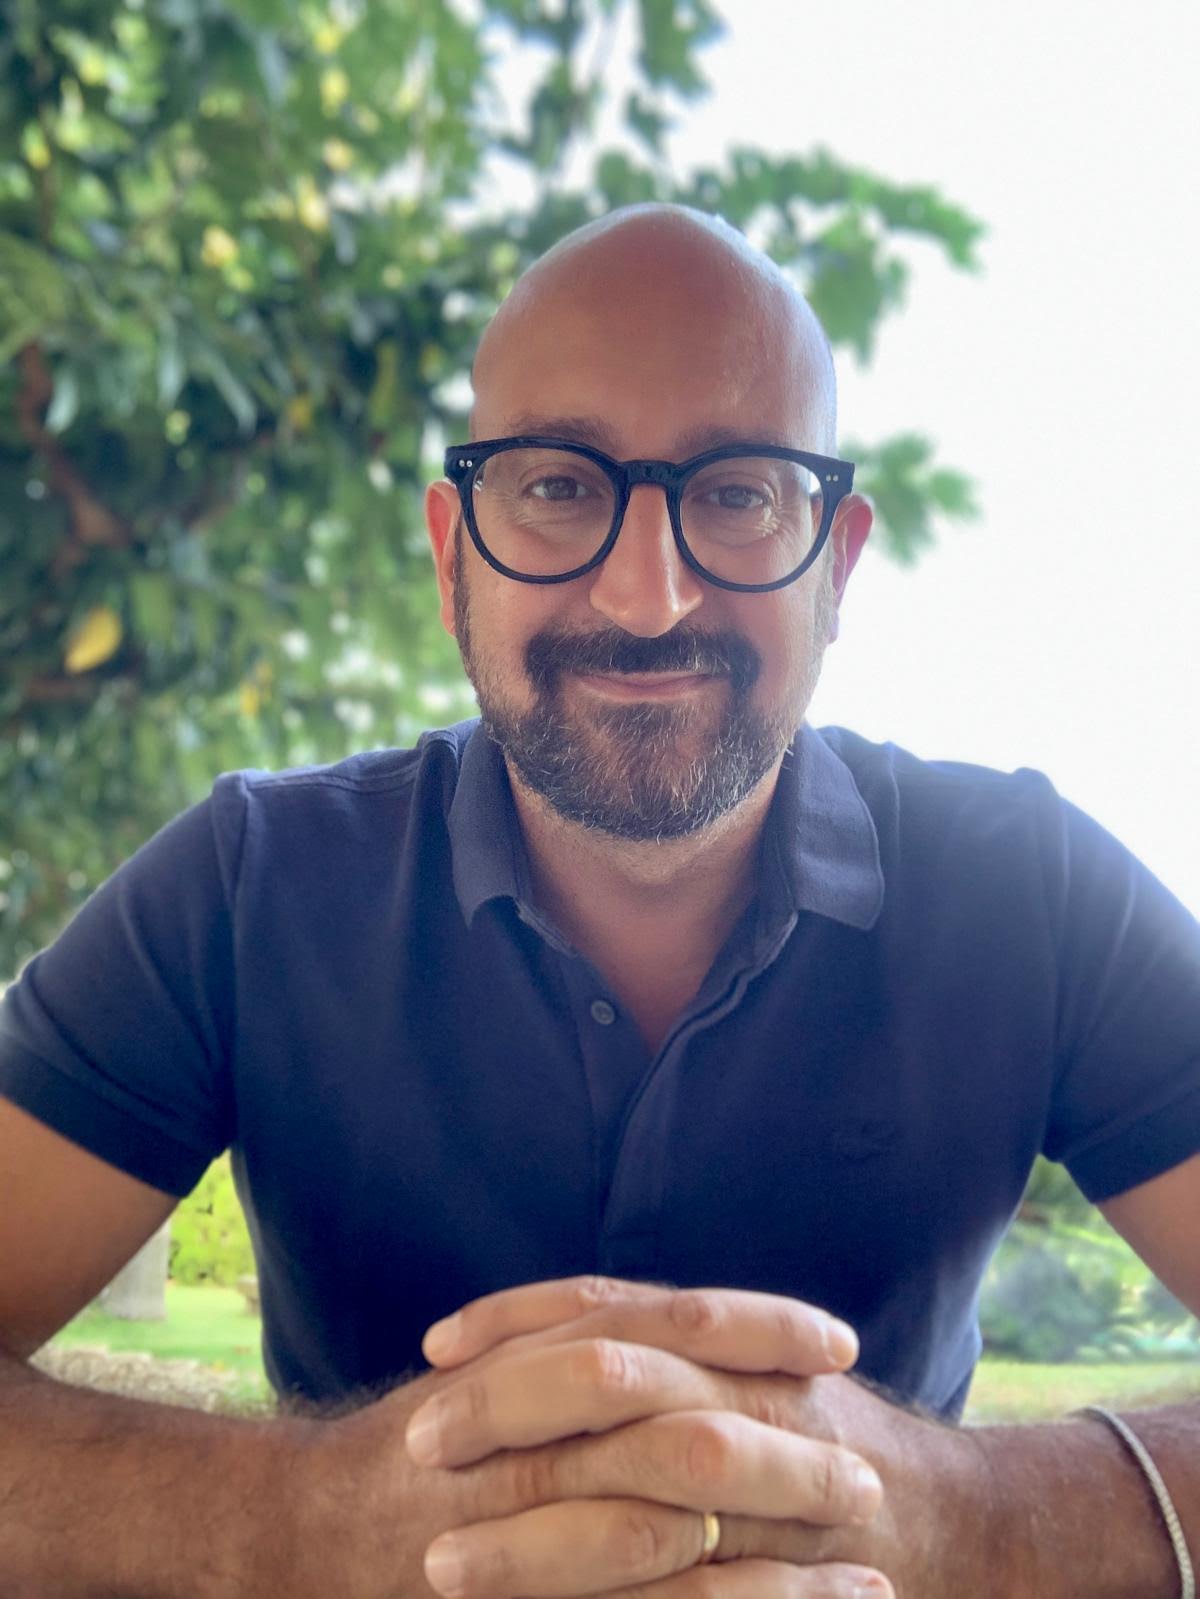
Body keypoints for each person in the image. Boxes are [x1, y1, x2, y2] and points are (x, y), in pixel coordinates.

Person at [1, 204, 1197, 1599]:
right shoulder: (247, 882)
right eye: (559, 486)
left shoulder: (1031, 890)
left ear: (836, 562)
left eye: (739, 492)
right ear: (453, 553)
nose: (647, 597)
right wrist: (312, 1524)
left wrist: (958, 1519)